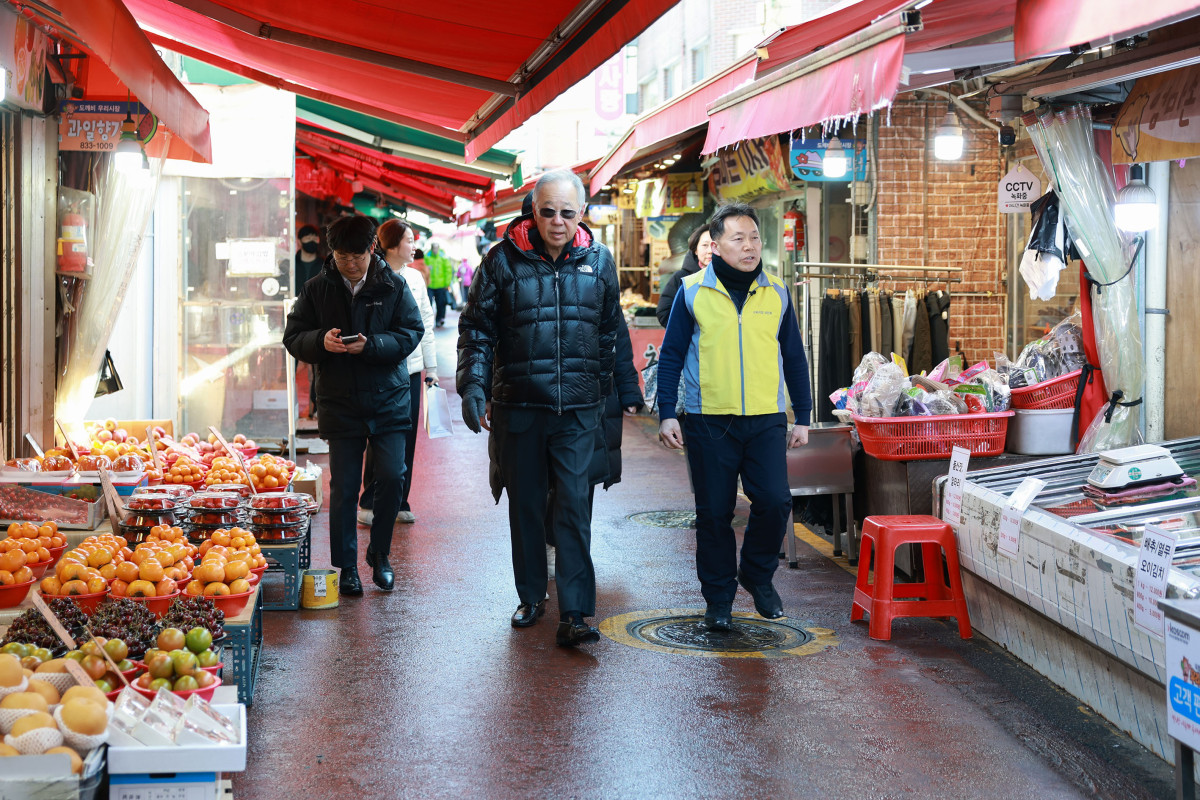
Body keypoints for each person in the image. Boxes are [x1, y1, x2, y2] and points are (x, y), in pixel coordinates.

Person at [458, 168, 621, 647]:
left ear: (582, 214)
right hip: (518, 407)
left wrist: (602, 388)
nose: (556, 222)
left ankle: (574, 612)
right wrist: (473, 385)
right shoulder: (501, 260)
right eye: (547, 211)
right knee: (526, 507)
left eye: (567, 213)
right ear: (532, 210)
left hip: (575, 410)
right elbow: (477, 330)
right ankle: (531, 594)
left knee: (574, 507)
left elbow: (609, 330)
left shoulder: (600, 260)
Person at [655, 202, 812, 632]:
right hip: (708, 420)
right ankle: (719, 598)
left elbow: (795, 358)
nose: (749, 246)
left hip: (765, 418)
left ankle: (757, 576)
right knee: (714, 513)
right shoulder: (691, 292)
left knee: (775, 501)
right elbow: (669, 358)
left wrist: (804, 414)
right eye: (738, 239)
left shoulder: (776, 292)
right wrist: (668, 413)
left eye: (755, 238)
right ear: (717, 245)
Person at [283, 215, 424, 596]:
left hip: (388, 398)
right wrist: (319, 342)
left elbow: (412, 332)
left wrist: (373, 344)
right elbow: (293, 335)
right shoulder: (317, 288)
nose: (350, 264)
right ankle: (346, 566)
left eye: (357, 257)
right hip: (340, 399)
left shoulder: (394, 285)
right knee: (344, 487)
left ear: (372, 249)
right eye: (343, 257)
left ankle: (379, 554)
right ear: (333, 252)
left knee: (393, 476)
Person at [544, 315, 642, 580]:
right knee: (547, 478)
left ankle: (571, 551)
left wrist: (629, 389)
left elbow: (618, 340)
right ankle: (549, 542)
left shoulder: (600, 278)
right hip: (542, 392)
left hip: (594, 395)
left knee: (583, 477)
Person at [357, 219, 437, 528]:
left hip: (412, 369)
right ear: (391, 245)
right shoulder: (370, 276)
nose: (414, 245)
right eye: (408, 240)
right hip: (381, 368)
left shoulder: (415, 278)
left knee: (408, 434)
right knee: (379, 436)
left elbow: (426, 323)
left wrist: (431, 368)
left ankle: (400, 500)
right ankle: (369, 501)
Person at [656, 225, 712, 327]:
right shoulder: (681, 278)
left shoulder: (730, 277)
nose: (710, 251)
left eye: (715, 245)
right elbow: (664, 312)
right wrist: (691, 331)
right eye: (705, 245)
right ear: (695, 250)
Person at [295, 224, 324, 418]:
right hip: (293, 319)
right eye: (308, 238)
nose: (312, 241)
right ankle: (290, 409)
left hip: (317, 320)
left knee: (317, 367)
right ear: (300, 241)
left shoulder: (323, 265)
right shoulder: (289, 265)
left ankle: (315, 407)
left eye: (315, 237)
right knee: (290, 366)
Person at [426, 242, 454, 327]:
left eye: (436, 248)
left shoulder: (443, 258)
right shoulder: (426, 257)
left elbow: (448, 271)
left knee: (441, 304)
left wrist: (447, 283)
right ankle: (428, 320)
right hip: (429, 285)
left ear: (438, 248)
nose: (435, 250)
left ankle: (439, 319)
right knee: (428, 304)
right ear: (431, 248)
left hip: (441, 285)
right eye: (433, 248)